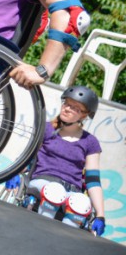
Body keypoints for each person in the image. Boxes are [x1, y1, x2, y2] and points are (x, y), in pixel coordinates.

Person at [18, 85, 106, 236]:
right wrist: (14, 174)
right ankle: (37, 236)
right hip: (43, 182)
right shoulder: (46, 129)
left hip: (72, 192)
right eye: (66, 103)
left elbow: (93, 180)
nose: (67, 109)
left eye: (75, 108)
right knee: (55, 192)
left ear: (85, 115)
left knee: (81, 203)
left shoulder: (90, 142)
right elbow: (27, 156)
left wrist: (100, 215)